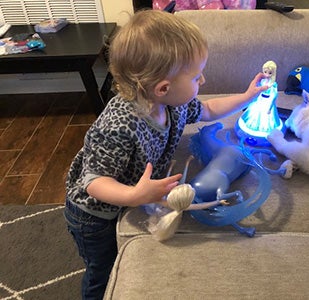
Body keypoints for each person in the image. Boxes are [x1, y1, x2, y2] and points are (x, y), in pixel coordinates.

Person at [63, 9, 268, 300]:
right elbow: (94, 181)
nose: (204, 82)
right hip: (93, 213)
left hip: (127, 193)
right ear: (163, 87)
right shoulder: (119, 126)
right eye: (197, 76)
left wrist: (247, 97)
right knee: (102, 270)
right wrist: (135, 196)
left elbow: (209, 109)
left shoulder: (176, 103)